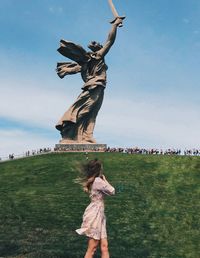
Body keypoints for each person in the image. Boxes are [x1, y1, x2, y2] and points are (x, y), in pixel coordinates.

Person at [55, 17, 124, 144]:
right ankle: (69, 132)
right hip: (94, 85)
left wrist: (65, 70)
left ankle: (87, 135)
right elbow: (110, 41)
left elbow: (73, 69)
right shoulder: (97, 56)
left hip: (99, 86)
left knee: (93, 112)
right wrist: (114, 25)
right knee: (86, 109)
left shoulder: (85, 62)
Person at [75, 159, 115, 258]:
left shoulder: (94, 180)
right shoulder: (98, 181)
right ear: (98, 170)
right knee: (92, 248)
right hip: (95, 215)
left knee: (104, 247)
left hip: (100, 215)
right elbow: (112, 191)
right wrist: (105, 179)